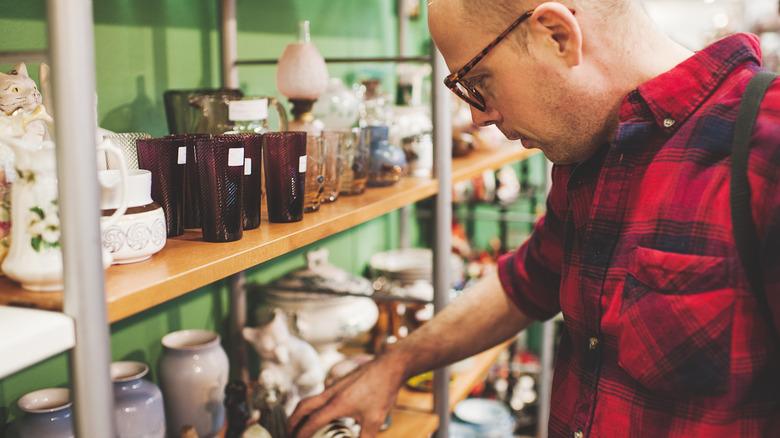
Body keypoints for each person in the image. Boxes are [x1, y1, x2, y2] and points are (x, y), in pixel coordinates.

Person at [287, 0, 780, 436]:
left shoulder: (765, 147)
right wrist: (393, 366)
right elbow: (528, 281)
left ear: (556, 36)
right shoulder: (590, 150)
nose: (478, 116)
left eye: (477, 81)